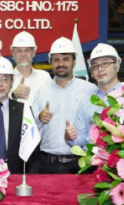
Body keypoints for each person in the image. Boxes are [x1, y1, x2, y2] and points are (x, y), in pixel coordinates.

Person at [33, 37, 100, 174]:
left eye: (66, 59)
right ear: (50, 62)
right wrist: (39, 118)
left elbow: (97, 127)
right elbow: (30, 129)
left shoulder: (90, 90)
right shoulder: (41, 92)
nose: (61, 64)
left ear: (74, 61)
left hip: (80, 163)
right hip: (47, 164)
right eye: (56, 59)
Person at [9, 31, 51, 105]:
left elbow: (53, 103)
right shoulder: (5, 77)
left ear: (33, 52)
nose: (23, 54)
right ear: (13, 53)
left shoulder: (44, 77)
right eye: (19, 51)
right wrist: (13, 95)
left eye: (27, 50)